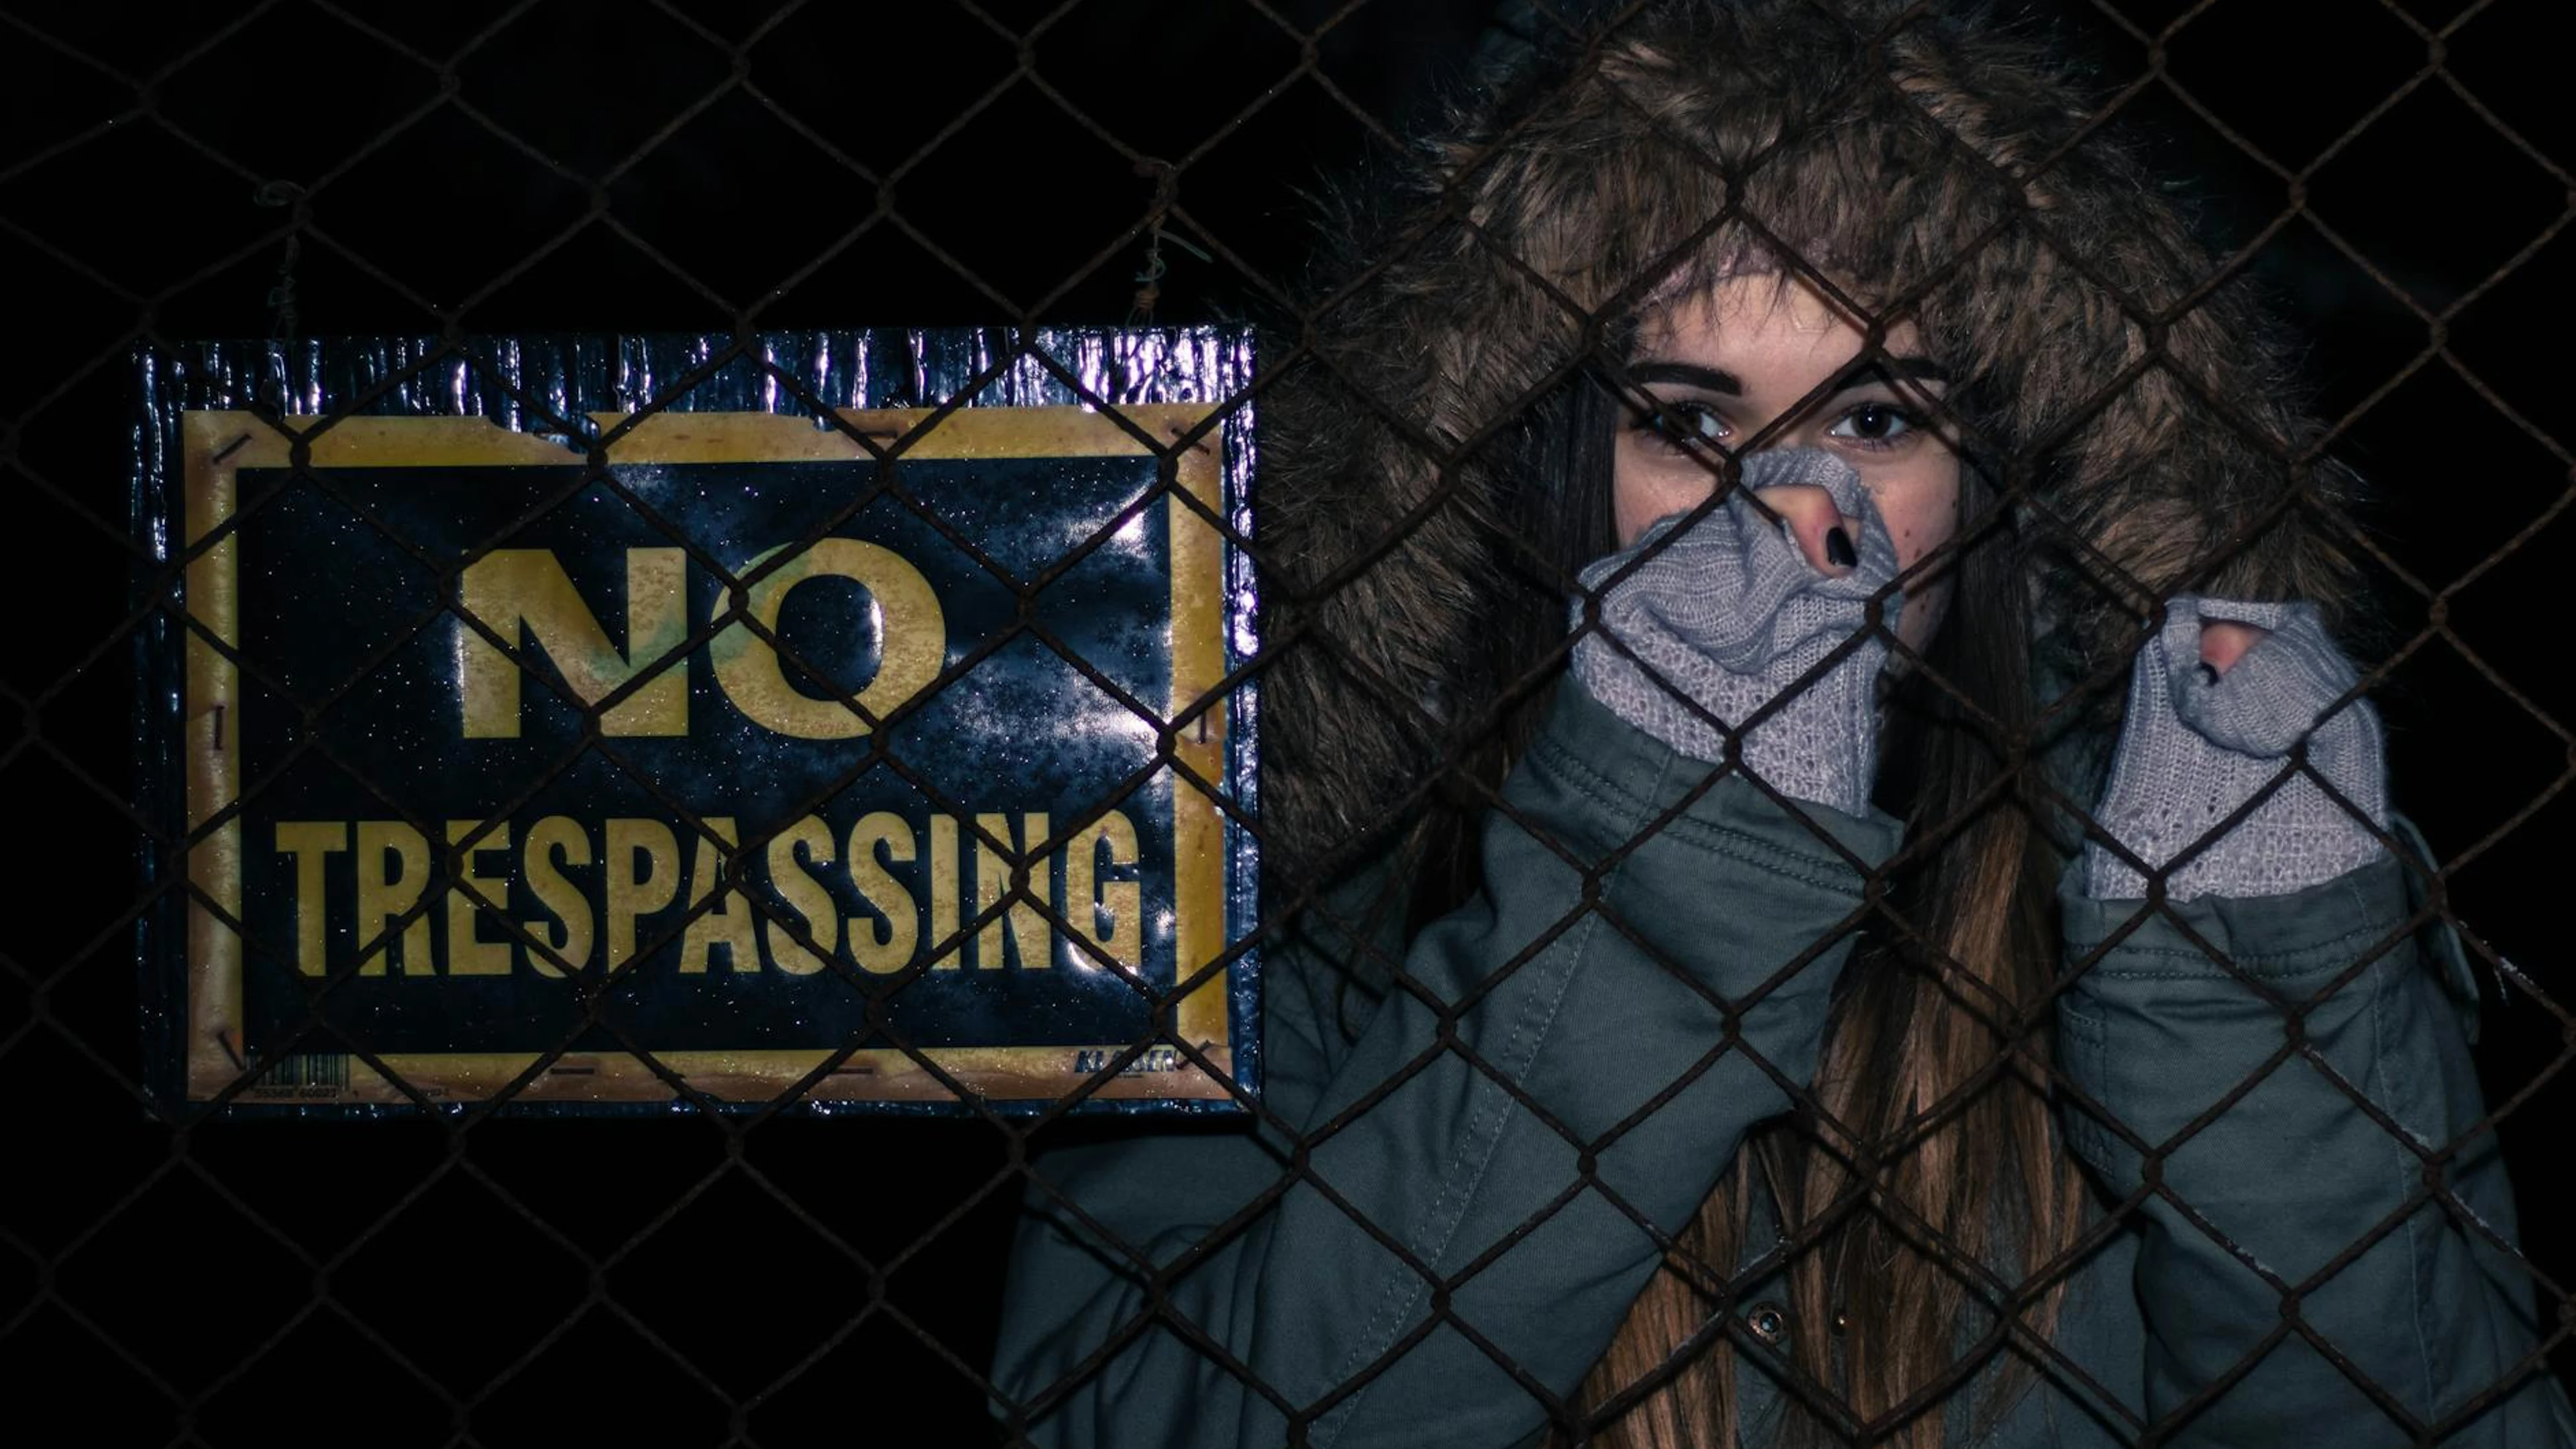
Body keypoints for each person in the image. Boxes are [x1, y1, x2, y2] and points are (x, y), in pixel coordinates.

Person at [991, 2, 2576, 1444]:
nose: (1796, 514)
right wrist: (1662, 876)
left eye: (1876, 422)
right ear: (1541, 469)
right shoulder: (1310, 907)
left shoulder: (2201, 879)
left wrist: (2247, 1010)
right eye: (1692, 425)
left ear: (1999, 478)